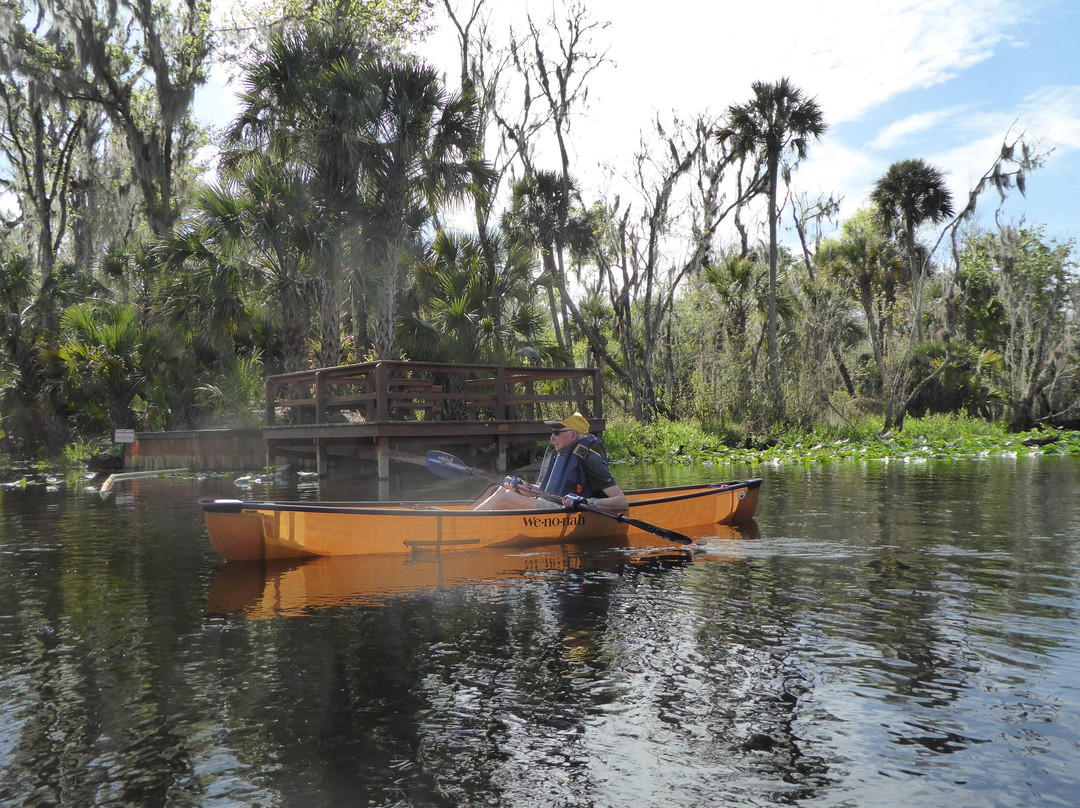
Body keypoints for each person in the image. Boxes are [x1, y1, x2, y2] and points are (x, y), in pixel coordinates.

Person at [474, 411, 630, 513]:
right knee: (502, 489)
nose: (552, 438)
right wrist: (522, 485)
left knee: (503, 496)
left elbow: (622, 502)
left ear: (573, 435)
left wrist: (587, 502)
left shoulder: (591, 459)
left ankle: (465, 525)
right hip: (550, 504)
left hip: (561, 509)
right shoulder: (560, 456)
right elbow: (547, 492)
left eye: (556, 433)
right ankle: (470, 520)